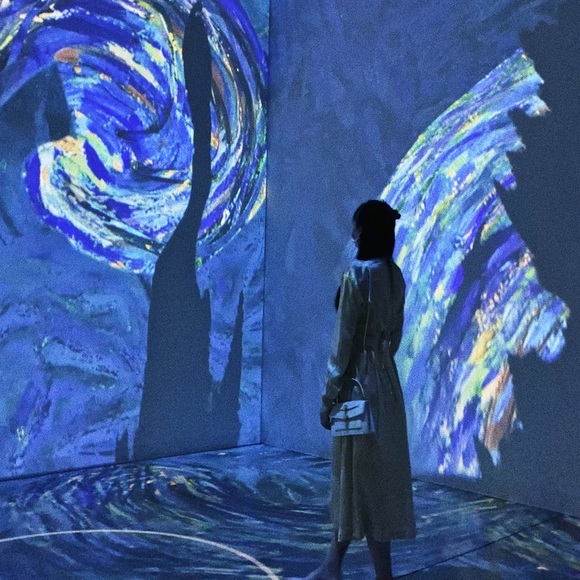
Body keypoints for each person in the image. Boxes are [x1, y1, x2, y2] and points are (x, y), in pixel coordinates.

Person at [309, 199, 416, 580]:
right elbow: (395, 337)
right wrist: (379, 362)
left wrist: (329, 400)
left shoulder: (357, 276)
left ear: (365, 231)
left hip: (355, 390)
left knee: (354, 479)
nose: (352, 233)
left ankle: (364, 572)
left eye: (356, 226)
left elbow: (342, 347)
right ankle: (333, 564)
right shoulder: (394, 275)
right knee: (371, 479)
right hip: (386, 386)